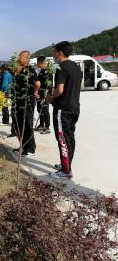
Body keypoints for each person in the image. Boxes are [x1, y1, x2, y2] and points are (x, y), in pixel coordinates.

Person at [47, 41, 82, 179]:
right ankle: (66, 164)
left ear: (60, 53)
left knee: (62, 139)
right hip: (74, 107)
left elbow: (60, 89)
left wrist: (50, 97)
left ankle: (66, 171)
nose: (54, 55)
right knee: (69, 137)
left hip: (63, 109)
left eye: (55, 52)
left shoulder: (62, 67)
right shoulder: (76, 67)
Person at [12, 51, 40, 157]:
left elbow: (37, 83)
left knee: (27, 123)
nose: (19, 58)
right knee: (18, 123)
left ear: (27, 58)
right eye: (19, 56)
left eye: (21, 56)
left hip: (27, 100)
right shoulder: (19, 69)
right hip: (18, 100)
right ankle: (23, 145)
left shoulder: (30, 70)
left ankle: (31, 149)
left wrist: (35, 92)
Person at [35, 56, 53, 134]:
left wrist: (46, 94)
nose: (37, 64)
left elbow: (48, 84)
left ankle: (47, 127)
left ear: (41, 63)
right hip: (40, 93)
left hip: (45, 94)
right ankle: (41, 125)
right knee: (40, 109)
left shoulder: (47, 71)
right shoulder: (42, 71)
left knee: (45, 110)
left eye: (38, 63)